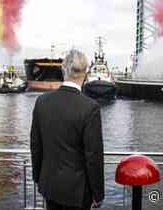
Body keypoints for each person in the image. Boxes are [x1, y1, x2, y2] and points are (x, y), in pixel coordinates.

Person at [30, 49, 105, 210]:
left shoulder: (42, 102)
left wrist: (38, 177)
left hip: (49, 186)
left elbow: (36, 146)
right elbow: (93, 157)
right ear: (85, 73)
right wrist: (98, 194)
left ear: (63, 71)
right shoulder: (90, 108)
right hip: (78, 193)